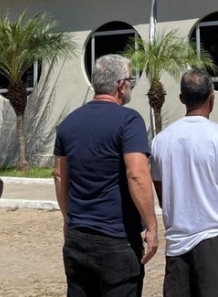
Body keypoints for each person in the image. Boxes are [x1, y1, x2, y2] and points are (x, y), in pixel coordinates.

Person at [53, 54, 159, 297]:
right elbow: (137, 175)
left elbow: (59, 176)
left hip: (77, 236)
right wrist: (152, 227)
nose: (131, 86)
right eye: (131, 81)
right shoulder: (129, 120)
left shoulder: (68, 123)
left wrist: (68, 218)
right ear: (120, 86)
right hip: (116, 239)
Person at [151, 69, 218, 297]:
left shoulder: (160, 141)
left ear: (182, 98)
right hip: (216, 243)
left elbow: (164, 196)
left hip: (177, 245)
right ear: (211, 98)